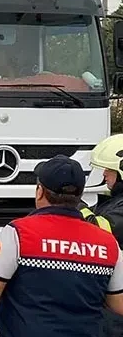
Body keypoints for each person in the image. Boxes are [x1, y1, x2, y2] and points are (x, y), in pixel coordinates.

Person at [0, 155, 123, 337]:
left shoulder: (18, 233)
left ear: (40, 191)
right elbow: (118, 303)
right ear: (79, 196)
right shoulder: (108, 243)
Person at [81, 134, 123, 336]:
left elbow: (100, 230)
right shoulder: (115, 200)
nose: (104, 173)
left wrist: (76, 207)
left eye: (109, 169)